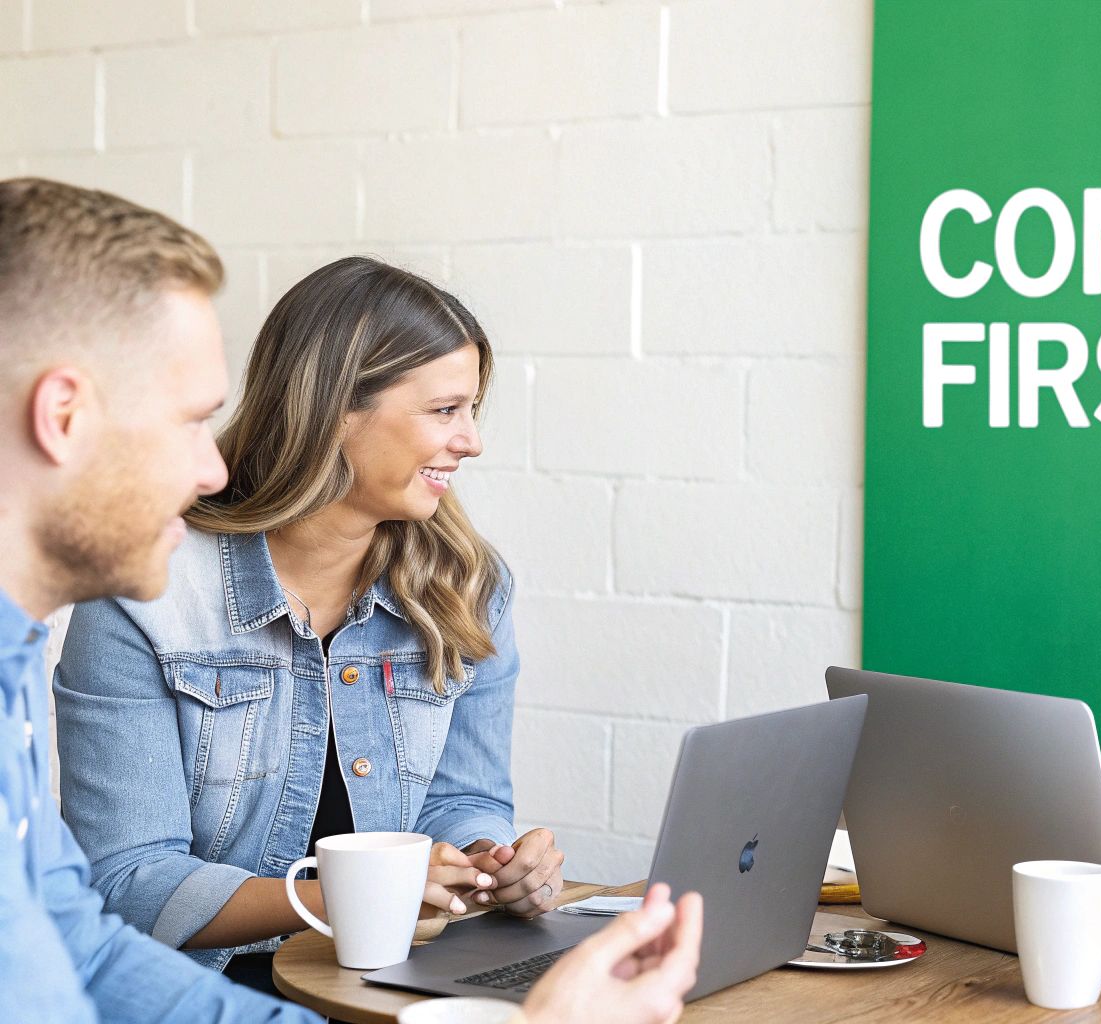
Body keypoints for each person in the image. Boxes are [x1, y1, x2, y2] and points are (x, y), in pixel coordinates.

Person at [0, 176, 698, 1022]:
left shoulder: (15, 664)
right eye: (188, 421)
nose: (213, 469)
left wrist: (481, 858)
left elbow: (85, 948)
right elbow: (124, 897)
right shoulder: (139, 602)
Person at [49, 254, 573, 986]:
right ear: (336, 409)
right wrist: (348, 899)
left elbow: (460, 799)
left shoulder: (469, 586)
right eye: (445, 410)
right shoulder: (145, 595)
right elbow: (127, 882)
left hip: (399, 975)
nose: (471, 441)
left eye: (473, 411)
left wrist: (489, 860)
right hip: (209, 988)